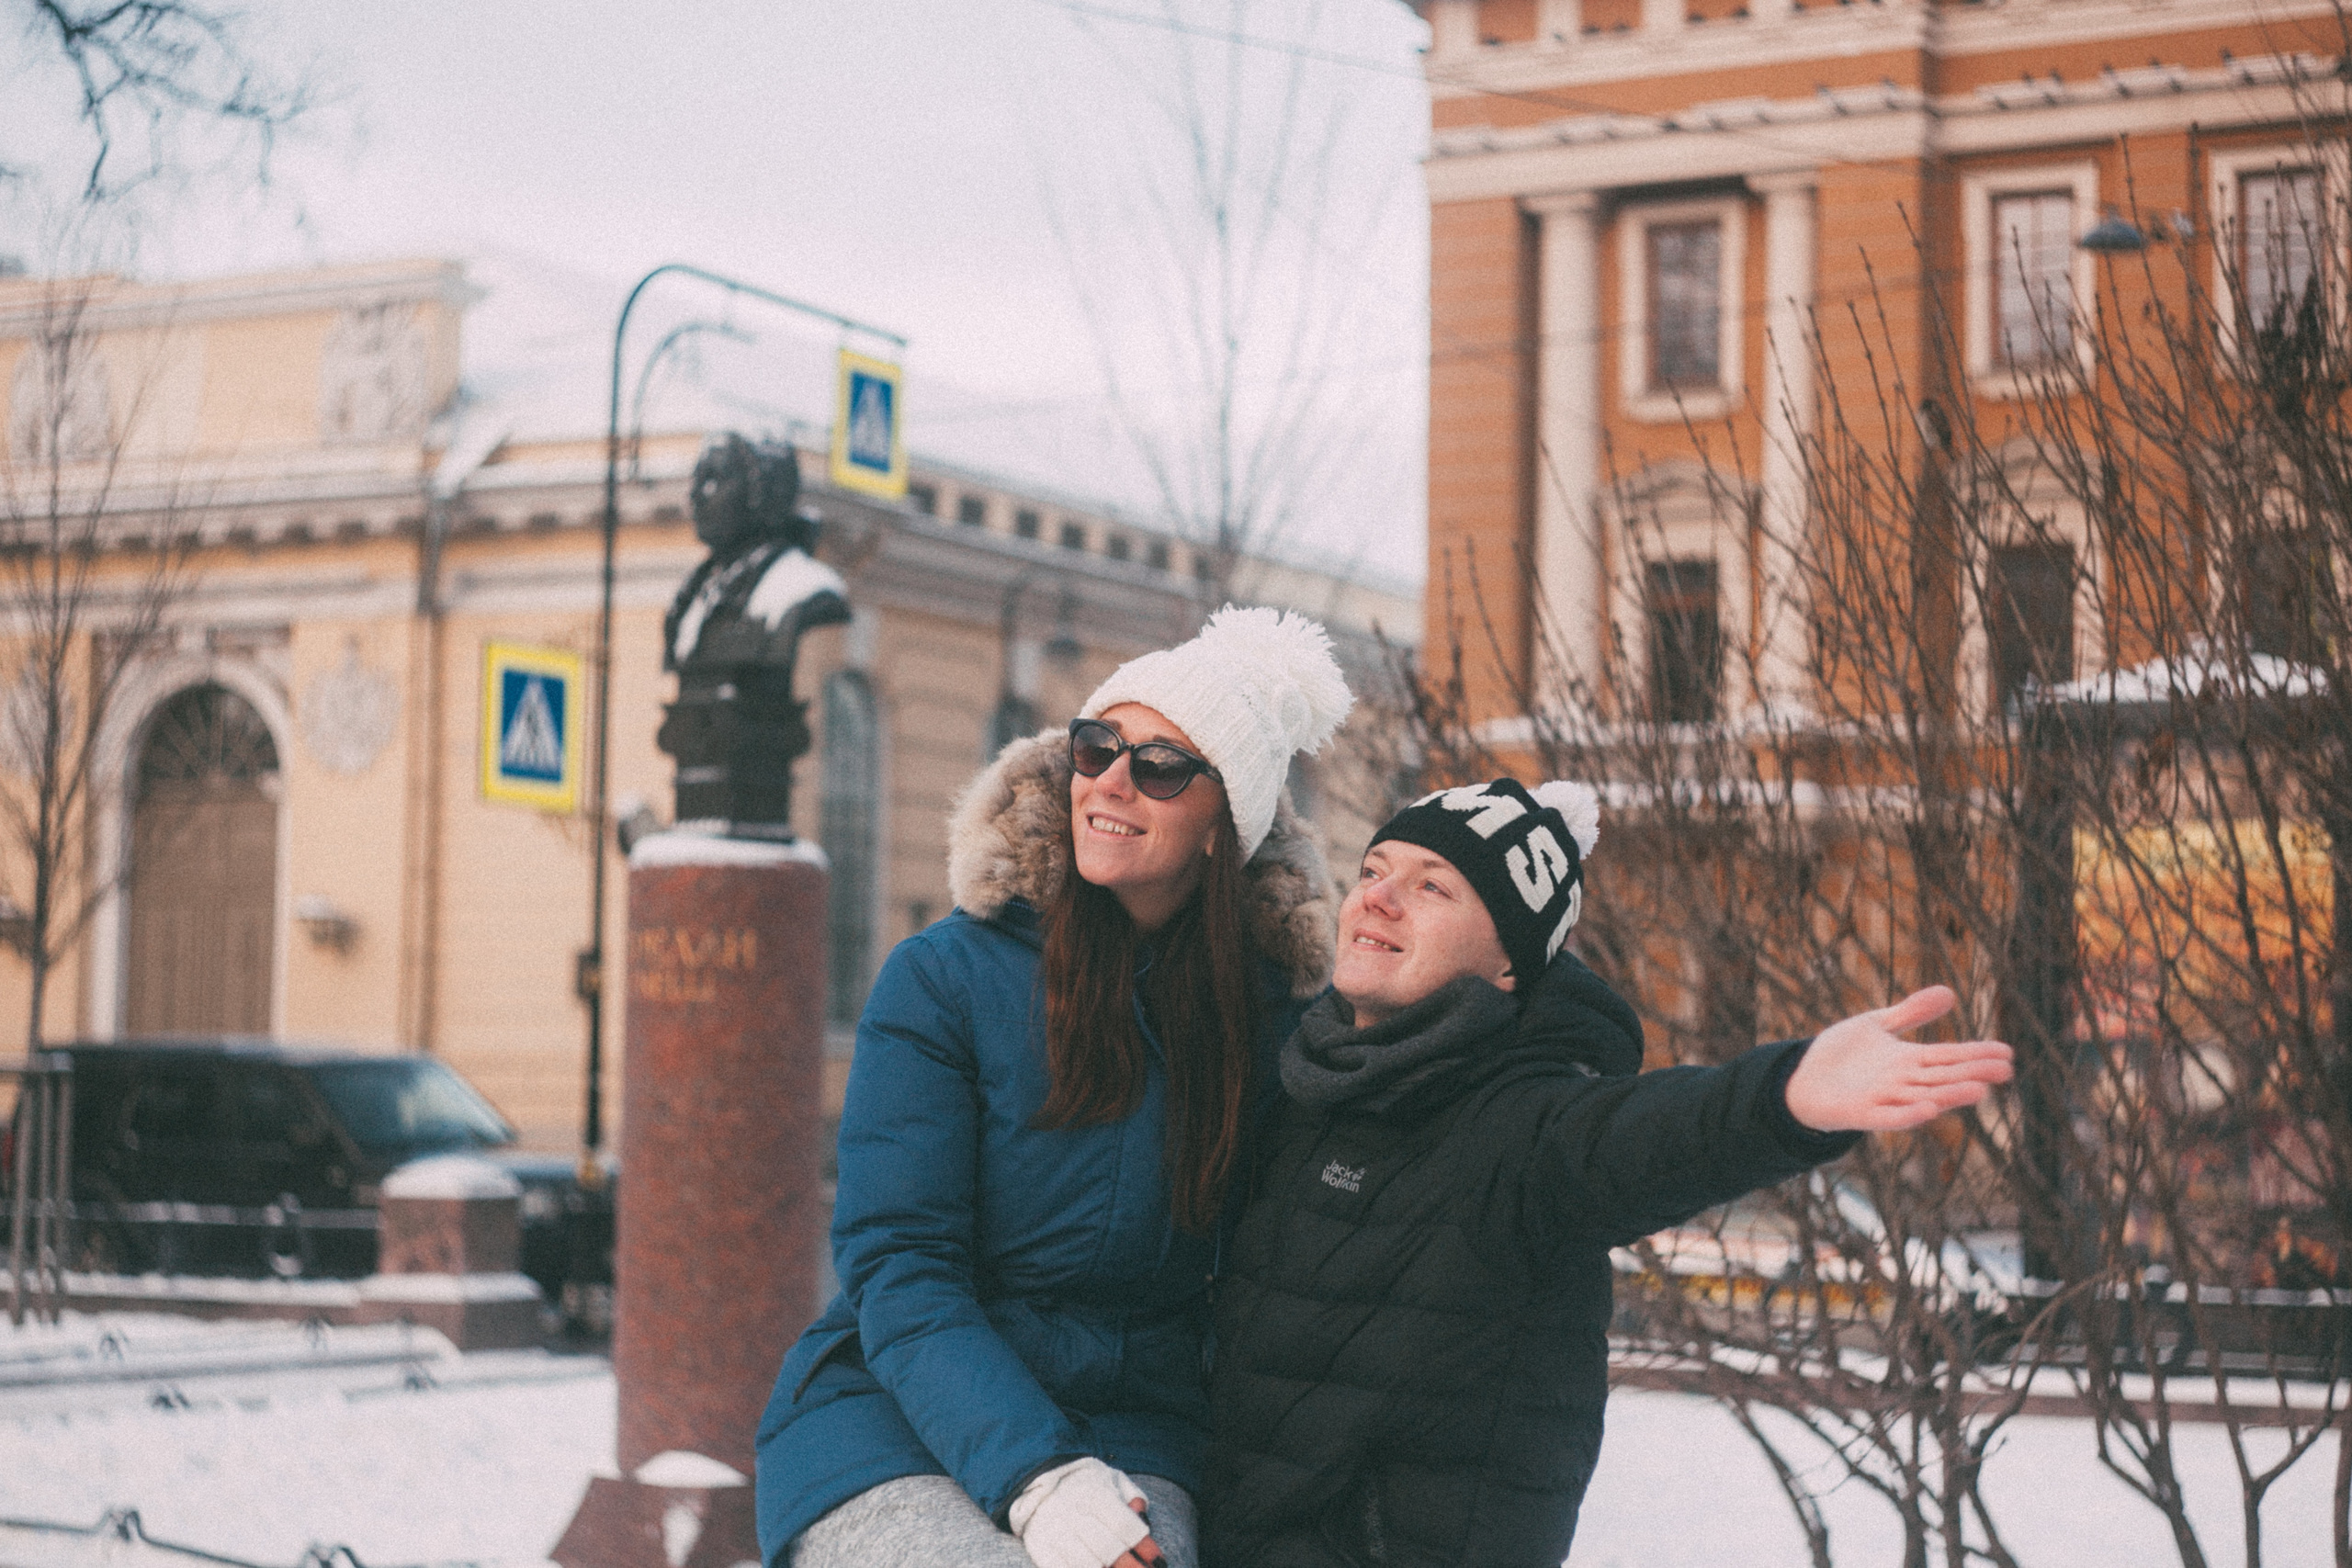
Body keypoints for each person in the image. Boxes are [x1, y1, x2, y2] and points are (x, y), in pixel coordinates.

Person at [1202, 777, 2016, 1568]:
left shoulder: (1525, 1127)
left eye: (1433, 886)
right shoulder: (1302, 1086)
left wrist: (1784, 1095)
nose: (1377, 898)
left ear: (1510, 963)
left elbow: (1647, 1136)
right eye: (1374, 871)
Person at [755, 607, 1356, 1568]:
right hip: (891, 1420)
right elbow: (900, 1266)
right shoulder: (944, 979)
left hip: (1134, 1430)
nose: (1111, 781)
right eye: (1096, 748)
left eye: (1161, 767)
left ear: (1224, 827)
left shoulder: (1269, 1022)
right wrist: (1040, 1476)